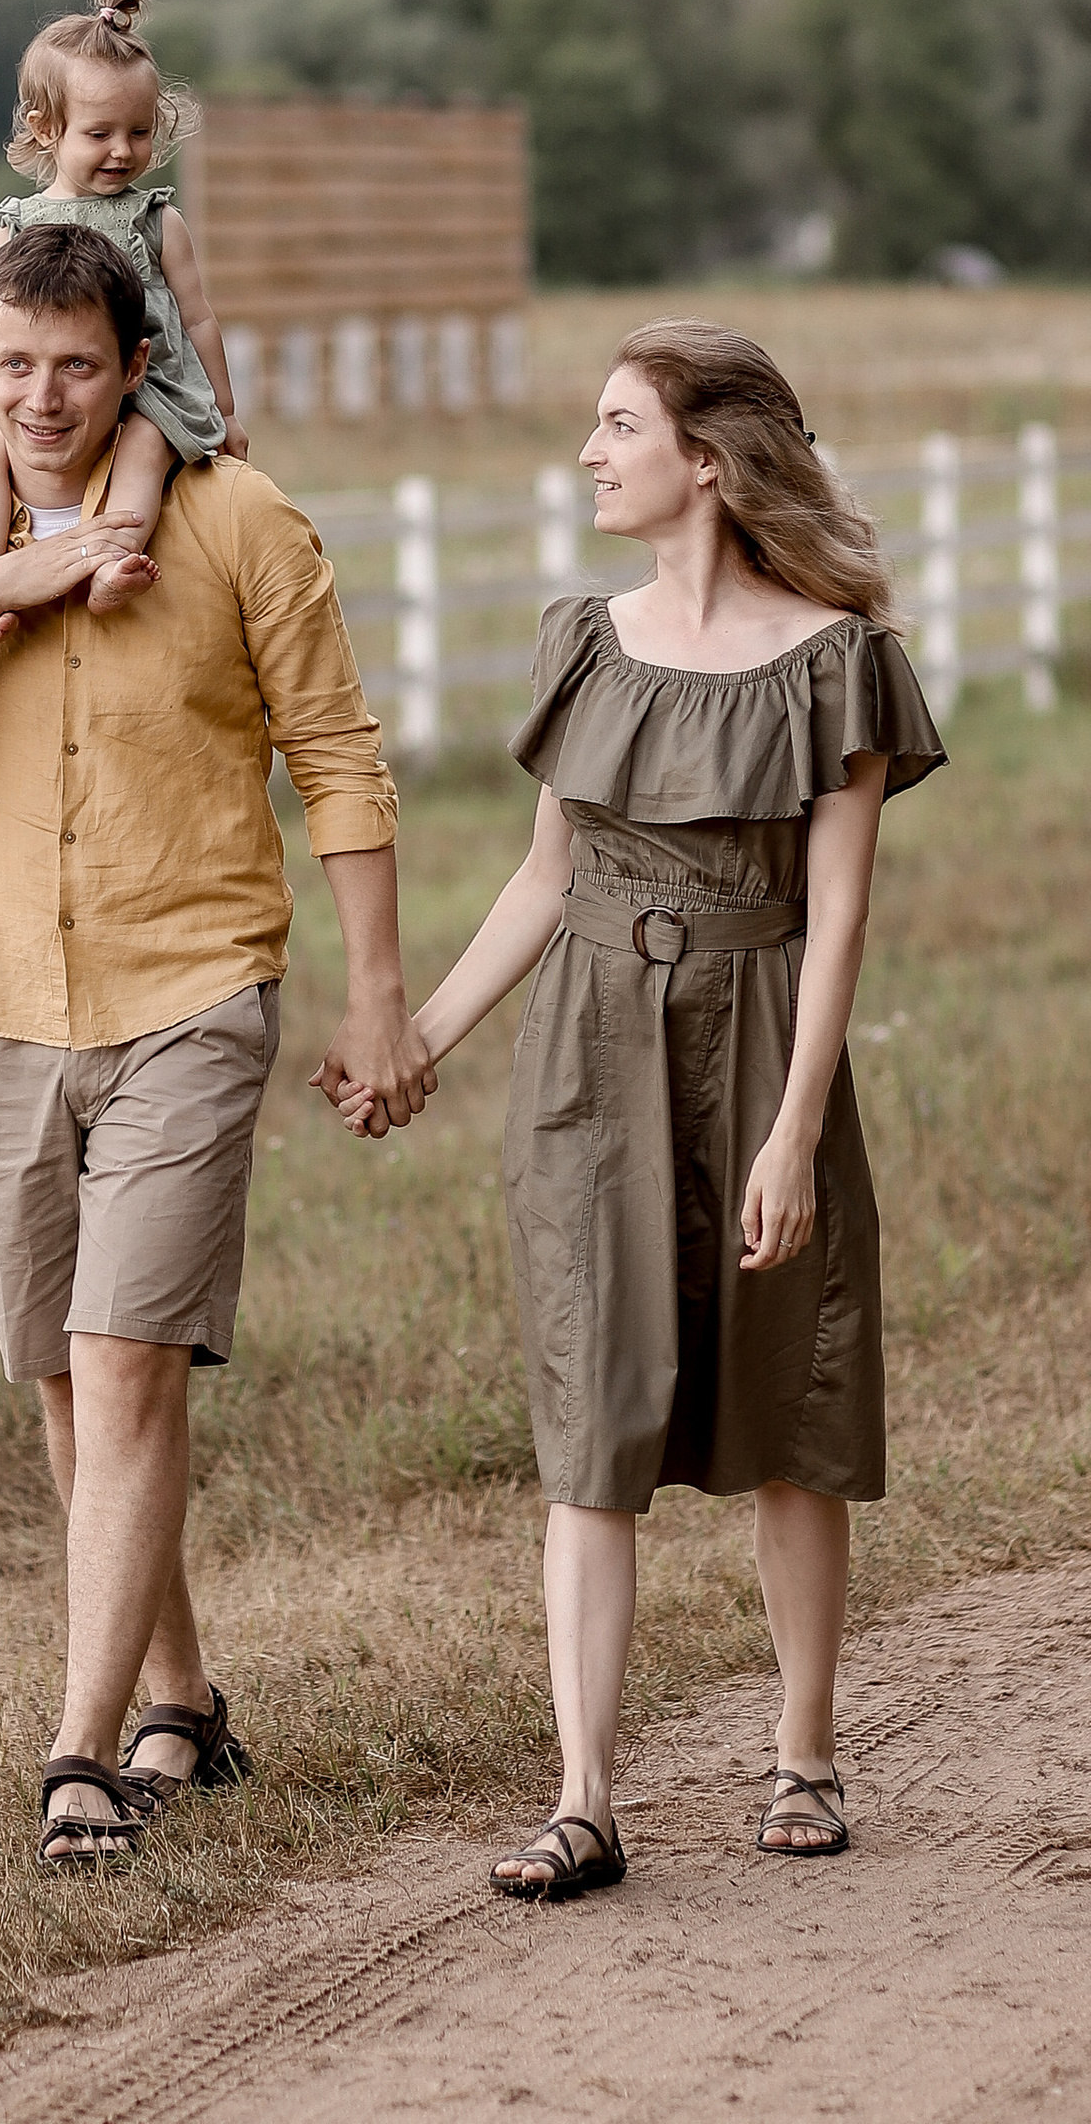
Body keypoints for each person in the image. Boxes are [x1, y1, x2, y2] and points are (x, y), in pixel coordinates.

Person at [0, 216, 433, 1873]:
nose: (39, 399)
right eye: (12, 366)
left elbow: (342, 766)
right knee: (67, 1387)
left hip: (192, 992)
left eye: (75, 367)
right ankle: (183, 1698)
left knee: (127, 1361)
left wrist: (380, 997)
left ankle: (79, 1755)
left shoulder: (238, 525)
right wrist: (3, 584)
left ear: (135, 363)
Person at [327, 322, 944, 1901]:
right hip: (589, 1052)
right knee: (589, 1418)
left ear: (709, 460)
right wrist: (424, 1042)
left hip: (759, 1031)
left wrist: (796, 1130)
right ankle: (585, 1799)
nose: (591, 454)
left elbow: (840, 918)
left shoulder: (840, 661)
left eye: (617, 426)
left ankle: (805, 1751)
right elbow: (547, 876)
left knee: (787, 1404)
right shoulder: (585, 643)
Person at [0, 0, 243, 615]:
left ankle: (112, 562)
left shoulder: (158, 221)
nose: (122, 151)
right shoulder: (17, 225)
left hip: (148, 391)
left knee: (142, 446)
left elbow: (197, 320)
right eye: (100, 133)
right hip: (38, 391)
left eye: (139, 132)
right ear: (47, 127)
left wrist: (224, 410)